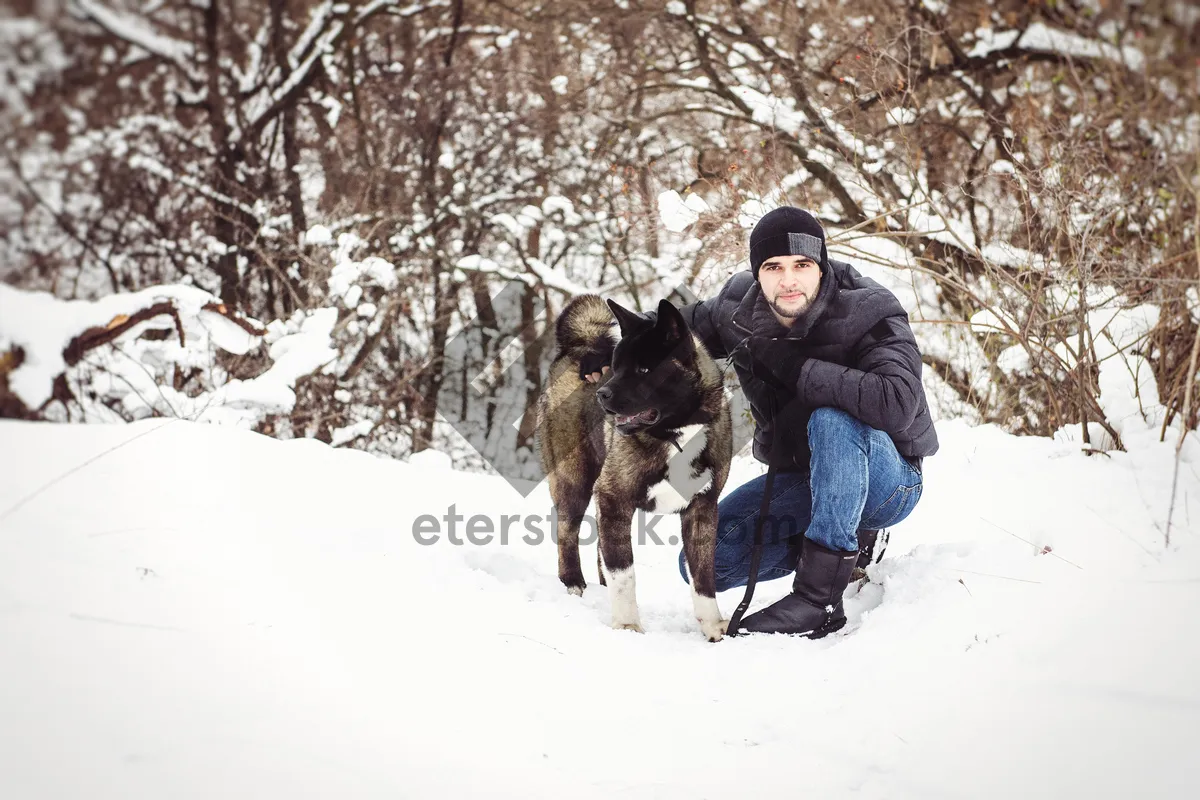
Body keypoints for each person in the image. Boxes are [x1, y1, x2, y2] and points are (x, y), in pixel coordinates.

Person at [582, 206, 938, 637]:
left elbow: (899, 401)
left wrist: (796, 367)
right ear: (757, 271)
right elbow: (668, 332)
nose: (788, 280)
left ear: (820, 265)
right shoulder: (736, 309)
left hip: (888, 481)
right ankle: (850, 548)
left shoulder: (870, 309)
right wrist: (611, 348)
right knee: (708, 561)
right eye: (773, 267)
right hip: (803, 476)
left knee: (832, 421)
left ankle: (819, 599)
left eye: (802, 265)